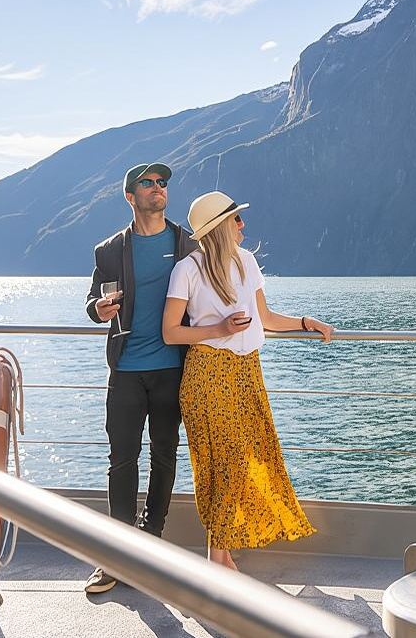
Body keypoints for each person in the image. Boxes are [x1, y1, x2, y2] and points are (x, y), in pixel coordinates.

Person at [162, 190, 334, 571]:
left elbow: (266, 318)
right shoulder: (187, 269)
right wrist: (218, 328)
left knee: (246, 458)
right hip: (208, 373)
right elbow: (171, 332)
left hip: (246, 373)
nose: (243, 225)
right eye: (236, 219)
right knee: (224, 463)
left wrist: (307, 322)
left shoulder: (247, 262)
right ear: (220, 226)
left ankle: (218, 557)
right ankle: (217, 559)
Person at [83, 162, 197, 593]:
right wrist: (98, 309)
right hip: (127, 370)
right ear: (130, 196)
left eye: (162, 183)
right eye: (147, 184)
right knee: (122, 460)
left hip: (173, 368)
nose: (157, 189)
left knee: (165, 456)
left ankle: (152, 543)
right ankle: (118, 554)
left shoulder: (189, 245)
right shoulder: (109, 250)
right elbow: (93, 299)